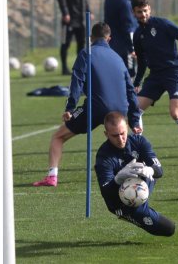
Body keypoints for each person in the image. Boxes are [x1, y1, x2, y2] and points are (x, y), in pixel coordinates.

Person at [33, 22, 142, 187]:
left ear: (91, 38)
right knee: (121, 139)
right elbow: (130, 90)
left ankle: (52, 176)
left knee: (58, 137)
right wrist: (133, 120)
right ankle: (135, 169)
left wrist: (70, 108)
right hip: (120, 108)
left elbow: (77, 81)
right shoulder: (118, 58)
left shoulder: (86, 53)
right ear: (109, 38)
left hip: (96, 106)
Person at [131, 0, 178, 166]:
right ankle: (139, 152)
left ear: (150, 9)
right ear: (134, 12)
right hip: (155, 76)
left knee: (176, 114)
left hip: (174, 72)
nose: (143, 14)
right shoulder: (138, 34)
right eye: (139, 12)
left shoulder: (162, 24)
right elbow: (142, 62)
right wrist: (137, 83)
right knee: (135, 110)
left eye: (145, 11)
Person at [94, 111, 175, 236]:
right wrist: (118, 179)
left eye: (122, 133)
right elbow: (106, 192)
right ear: (106, 134)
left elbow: (159, 171)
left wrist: (151, 170)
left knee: (170, 229)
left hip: (143, 180)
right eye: (115, 135)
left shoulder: (139, 141)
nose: (120, 139)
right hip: (119, 202)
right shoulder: (103, 157)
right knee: (168, 228)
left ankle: (139, 202)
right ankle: (129, 214)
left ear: (127, 128)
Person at [104, 0, 137, 77]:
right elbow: (128, 26)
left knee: (115, 71)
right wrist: (132, 48)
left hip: (112, 40)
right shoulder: (124, 2)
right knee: (130, 72)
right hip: (124, 43)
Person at [57, 0, 91, 75]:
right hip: (68, 21)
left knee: (81, 44)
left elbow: (85, 0)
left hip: (81, 21)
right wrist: (65, 13)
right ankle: (64, 68)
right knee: (65, 43)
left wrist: (89, 11)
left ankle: (80, 67)